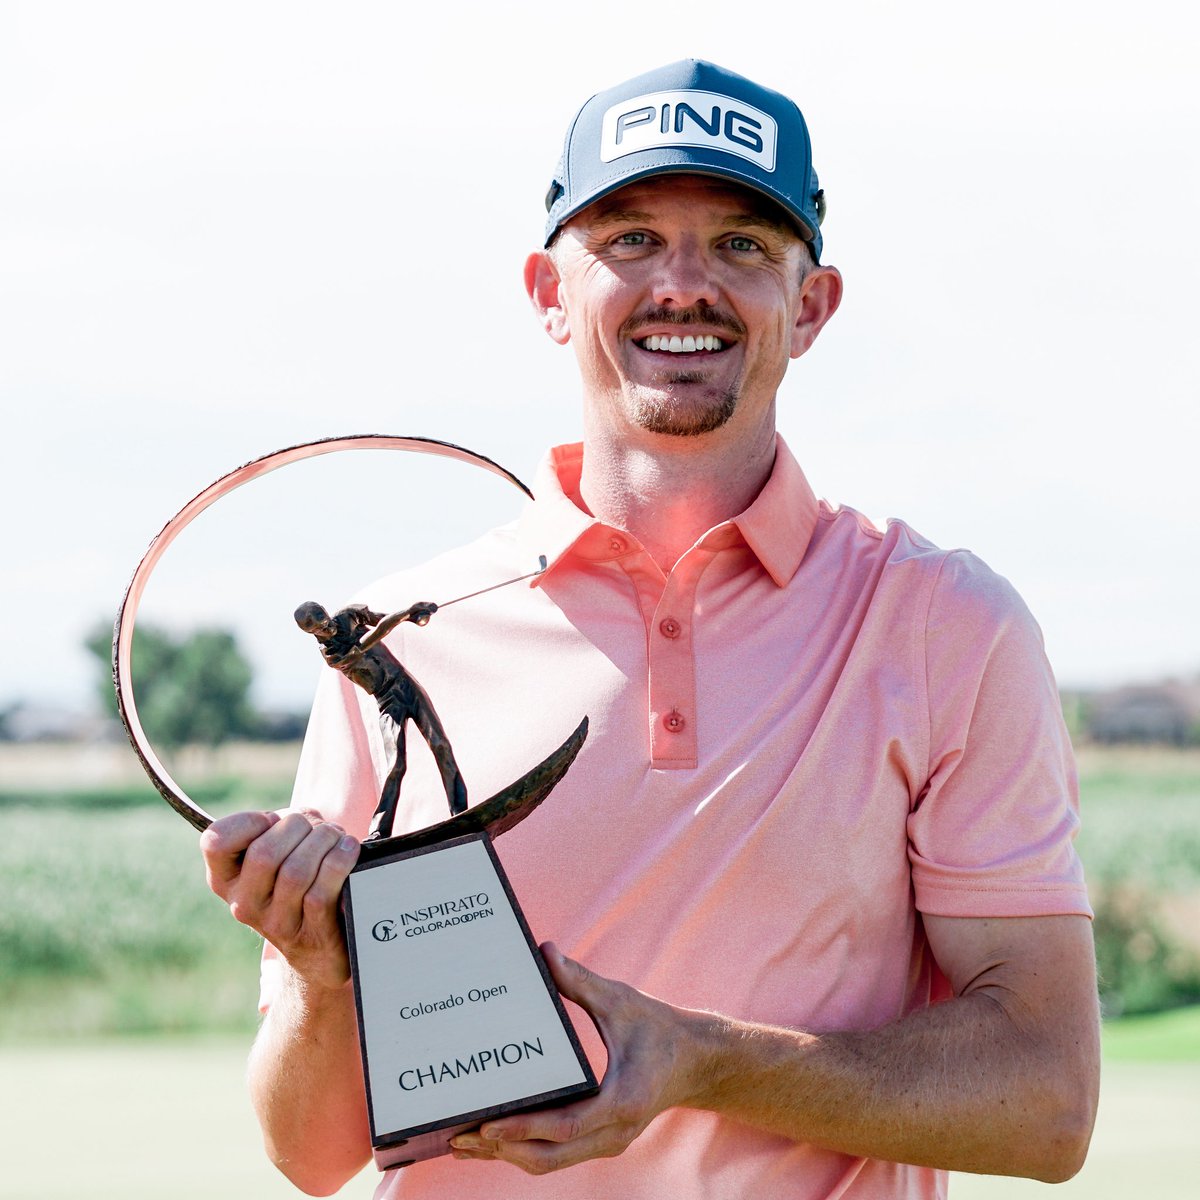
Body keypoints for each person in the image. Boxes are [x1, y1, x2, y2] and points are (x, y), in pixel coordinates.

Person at [201, 59, 1100, 1199]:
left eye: (741, 245)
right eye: (627, 241)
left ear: (810, 306)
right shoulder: (395, 650)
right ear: (547, 292)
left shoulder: (943, 626)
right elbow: (310, 1153)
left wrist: (702, 1063)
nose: (683, 284)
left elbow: (1047, 1104)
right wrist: (327, 984)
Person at [292, 599, 466, 838]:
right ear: (311, 633)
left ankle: (459, 811)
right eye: (320, 629)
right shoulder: (331, 654)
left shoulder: (349, 615)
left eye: (325, 619)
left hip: (407, 686)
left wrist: (413, 616)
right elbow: (371, 638)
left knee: (440, 744)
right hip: (387, 701)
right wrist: (405, 612)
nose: (328, 628)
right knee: (396, 764)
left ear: (325, 610)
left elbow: (379, 619)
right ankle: (380, 829)